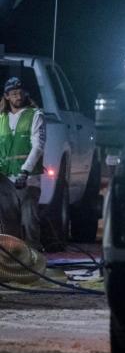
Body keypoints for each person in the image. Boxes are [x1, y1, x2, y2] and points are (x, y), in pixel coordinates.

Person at [0, 77, 46, 249]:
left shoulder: (35, 115)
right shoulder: (1, 118)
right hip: (5, 180)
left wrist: (25, 171)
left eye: (20, 93)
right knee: (8, 228)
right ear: (7, 96)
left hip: (27, 180)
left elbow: (38, 146)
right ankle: (15, 267)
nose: (18, 97)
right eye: (13, 94)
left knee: (29, 223)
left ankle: (34, 262)